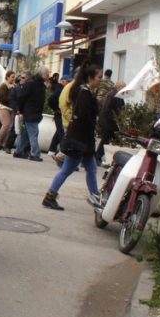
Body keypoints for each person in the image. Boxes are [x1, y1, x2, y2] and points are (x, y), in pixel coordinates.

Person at [43, 64, 103, 211]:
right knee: (68, 169)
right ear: (90, 78)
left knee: (91, 169)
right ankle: (50, 196)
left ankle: (96, 197)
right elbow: (84, 117)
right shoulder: (84, 93)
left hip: (83, 140)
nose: (101, 80)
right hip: (80, 141)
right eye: (99, 77)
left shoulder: (85, 92)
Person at [14, 67, 49, 161]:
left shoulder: (35, 83)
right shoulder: (34, 84)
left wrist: (21, 110)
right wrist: (20, 109)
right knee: (33, 133)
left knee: (25, 133)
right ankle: (35, 154)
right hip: (31, 112)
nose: (48, 75)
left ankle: (18, 151)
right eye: (47, 74)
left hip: (30, 112)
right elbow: (22, 97)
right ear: (42, 74)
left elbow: (23, 97)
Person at [96, 81, 126, 166]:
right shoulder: (113, 95)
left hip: (110, 122)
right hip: (108, 122)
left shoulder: (117, 95)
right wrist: (115, 118)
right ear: (119, 87)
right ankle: (98, 157)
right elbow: (107, 109)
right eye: (124, 87)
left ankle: (108, 159)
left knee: (110, 140)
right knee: (106, 140)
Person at [0, 71, 17, 153]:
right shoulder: (4, 85)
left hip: (10, 108)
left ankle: (3, 144)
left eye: (14, 77)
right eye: (12, 77)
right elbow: (1, 98)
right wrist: (11, 98)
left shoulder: (13, 86)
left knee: (9, 126)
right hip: (3, 107)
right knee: (6, 124)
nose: (14, 78)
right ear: (7, 77)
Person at [46, 74, 66, 156]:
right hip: (59, 113)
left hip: (59, 113)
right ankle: (62, 152)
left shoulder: (59, 88)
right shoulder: (60, 89)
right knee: (61, 132)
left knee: (59, 131)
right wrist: (56, 109)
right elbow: (51, 100)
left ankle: (52, 150)